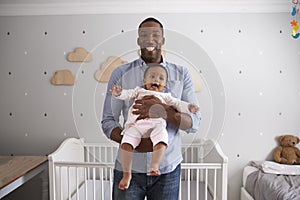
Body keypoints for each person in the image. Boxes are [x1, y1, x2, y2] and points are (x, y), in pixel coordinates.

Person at [101, 17, 201, 200]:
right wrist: (134, 143)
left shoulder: (182, 74)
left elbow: (194, 123)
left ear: (163, 40)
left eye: (156, 35)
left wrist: (162, 111)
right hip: (129, 167)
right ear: (138, 40)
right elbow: (108, 122)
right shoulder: (121, 74)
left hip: (168, 169)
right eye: (144, 35)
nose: (150, 39)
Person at [110, 64, 199, 190]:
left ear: (165, 85)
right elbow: (127, 94)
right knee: (126, 143)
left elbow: (179, 104)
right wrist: (118, 93)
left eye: (161, 78)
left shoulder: (166, 96)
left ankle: (155, 165)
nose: (156, 80)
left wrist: (190, 107)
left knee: (162, 139)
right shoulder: (139, 91)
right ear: (144, 81)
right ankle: (127, 174)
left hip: (156, 125)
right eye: (152, 76)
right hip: (137, 125)